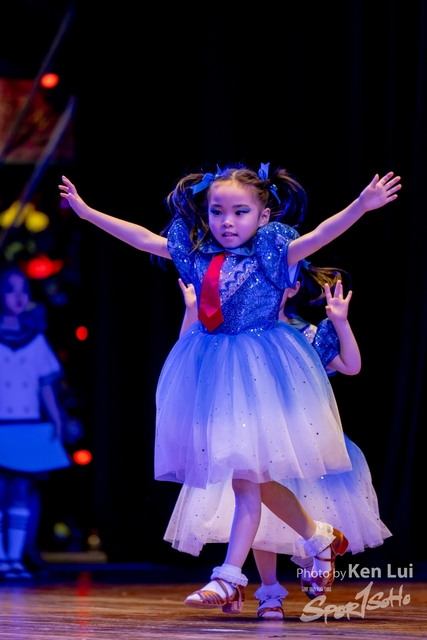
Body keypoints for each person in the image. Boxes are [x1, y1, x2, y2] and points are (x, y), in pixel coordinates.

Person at [59, 163, 400, 614]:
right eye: (217, 211)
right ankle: (317, 536)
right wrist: (87, 213)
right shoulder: (198, 255)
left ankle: (229, 577)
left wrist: (361, 205)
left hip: (263, 372)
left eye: (240, 212)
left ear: (263, 216)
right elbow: (142, 238)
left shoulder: (274, 253)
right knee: (254, 480)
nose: (227, 221)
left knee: (246, 481)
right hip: (216, 372)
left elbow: (320, 235)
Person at [172, 271, 392, 619]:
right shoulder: (235, 330)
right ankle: (270, 590)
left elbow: (351, 366)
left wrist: (340, 322)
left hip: (297, 440)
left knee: (258, 492)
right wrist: (192, 310)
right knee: (255, 501)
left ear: (291, 288)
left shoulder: (299, 333)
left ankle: (294, 561)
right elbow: (188, 356)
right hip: (248, 432)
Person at [0, 265, 71, 579]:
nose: (18, 297)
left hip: (26, 424)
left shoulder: (35, 340)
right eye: (10, 290)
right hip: (2, 423)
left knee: (20, 490)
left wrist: (56, 419)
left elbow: (46, 386)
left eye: (23, 290)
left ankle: (14, 558)